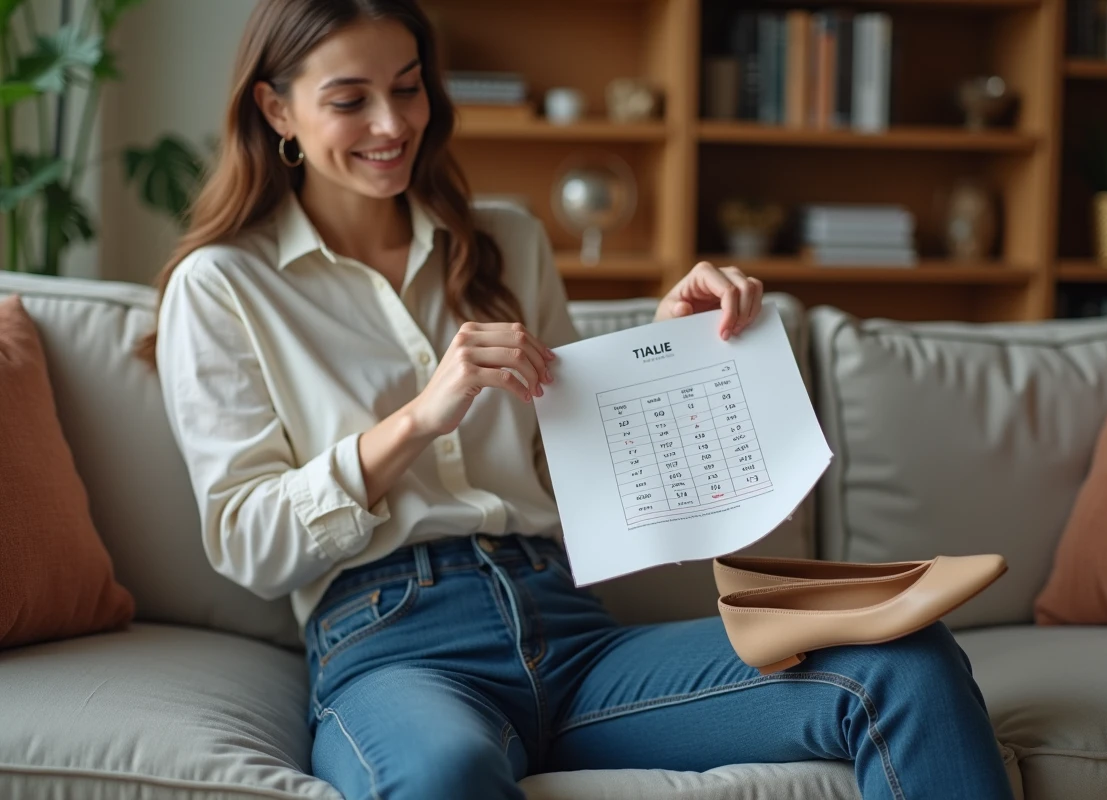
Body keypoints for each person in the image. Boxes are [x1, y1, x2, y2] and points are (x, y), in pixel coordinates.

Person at [141, 1, 1016, 798]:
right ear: (275, 109)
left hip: (568, 627)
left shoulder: (508, 241)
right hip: (394, 643)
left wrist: (669, 352)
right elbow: (246, 540)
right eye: (350, 99)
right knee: (444, 772)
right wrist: (420, 419)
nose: (391, 123)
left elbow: (593, 480)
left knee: (904, 661)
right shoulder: (222, 286)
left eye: (408, 89)